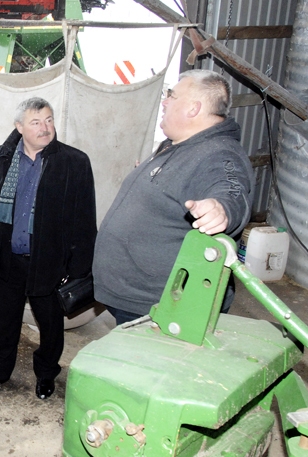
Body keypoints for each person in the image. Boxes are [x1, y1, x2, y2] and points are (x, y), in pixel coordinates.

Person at [93, 69, 255, 325]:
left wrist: (221, 209)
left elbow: (230, 189)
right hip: (135, 297)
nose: (165, 102)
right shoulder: (178, 144)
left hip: (162, 307)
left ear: (193, 108)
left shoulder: (219, 153)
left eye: (172, 95)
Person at [0, 97, 97, 400]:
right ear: (19, 127)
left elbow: (84, 218)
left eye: (49, 120)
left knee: (50, 322)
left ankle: (46, 373)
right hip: (8, 257)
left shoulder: (74, 162)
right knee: (4, 319)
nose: (45, 128)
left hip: (49, 260)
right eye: (36, 122)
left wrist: (76, 267)